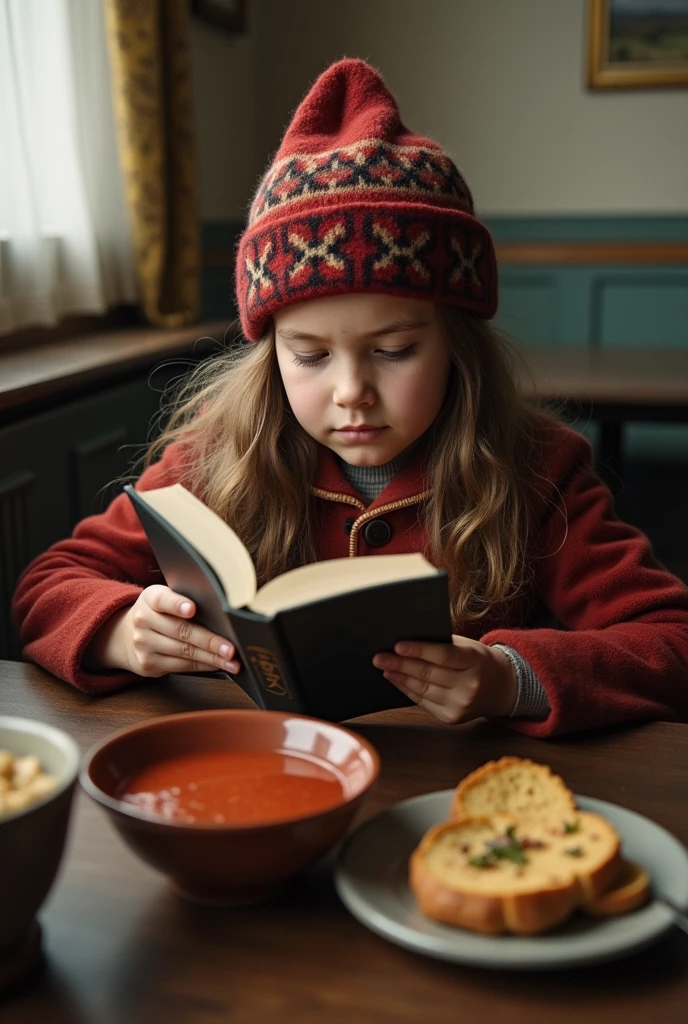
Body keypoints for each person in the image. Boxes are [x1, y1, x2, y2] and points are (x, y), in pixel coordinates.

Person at [13, 58, 688, 738]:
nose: (351, 393)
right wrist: (121, 631)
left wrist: (510, 678)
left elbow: (672, 639)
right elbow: (51, 580)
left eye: (393, 351)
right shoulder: (218, 453)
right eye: (308, 356)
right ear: (269, 349)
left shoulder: (539, 469)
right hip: (264, 777)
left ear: (456, 341)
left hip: (455, 803)